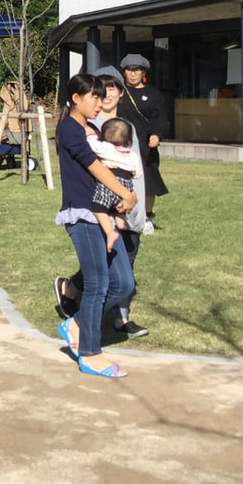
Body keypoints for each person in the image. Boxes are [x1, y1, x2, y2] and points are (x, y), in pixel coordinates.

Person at [55, 66, 150, 338]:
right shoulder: (70, 128)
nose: (100, 102)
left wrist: (124, 198)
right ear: (76, 98)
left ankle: (77, 325)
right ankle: (86, 343)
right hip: (83, 213)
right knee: (98, 283)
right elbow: (95, 166)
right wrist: (126, 194)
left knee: (123, 284)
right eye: (94, 97)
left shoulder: (93, 131)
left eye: (102, 96)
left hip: (104, 212)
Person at [119, 54, 169, 232]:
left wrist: (157, 134)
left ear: (143, 73)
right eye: (129, 70)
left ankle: (146, 216)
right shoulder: (119, 92)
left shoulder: (153, 94)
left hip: (146, 146)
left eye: (137, 70)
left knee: (149, 182)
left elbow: (160, 118)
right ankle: (123, 215)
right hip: (122, 144)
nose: (133, 74)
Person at [87, 118, 143, 253]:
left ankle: (110, 231)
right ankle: (120, 221)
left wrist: (90, 135)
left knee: (99, 208)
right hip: (126, 184)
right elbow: (137, 174)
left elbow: (93, 145)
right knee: (120, 207)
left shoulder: (106, 148)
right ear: (129, 141)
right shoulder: (132, 155)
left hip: (109, 183)